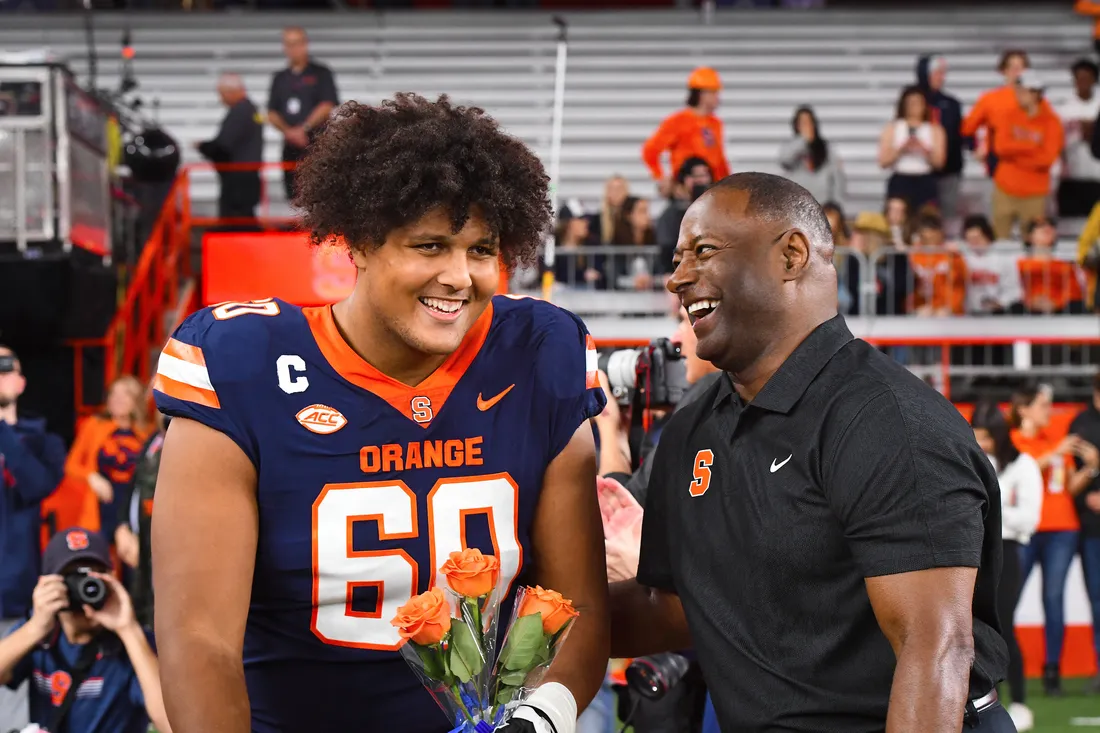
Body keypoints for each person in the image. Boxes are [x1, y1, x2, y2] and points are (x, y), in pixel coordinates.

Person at [150, 93, 609, 733]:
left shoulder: (538, 352)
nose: (461, 275)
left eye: (482, 249)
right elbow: (200, 639)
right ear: (361, 242)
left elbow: (577, 604)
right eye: (430, 246)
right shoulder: (241, 362)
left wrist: (541, 715)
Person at [610, 172, 1013, 732]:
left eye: (702, 251)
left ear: (792, 255)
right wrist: (510, 622)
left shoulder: (888, 421)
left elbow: (936, 647)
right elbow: (676, 609)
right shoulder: (693, 425)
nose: (678, 278)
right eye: (678, 258)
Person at [0, 527, 170, 733]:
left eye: (93, 577)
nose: (85, 590)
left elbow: (171, 725)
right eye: (72, 579)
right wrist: (35, 628)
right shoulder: (41, 634)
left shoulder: (133, 644)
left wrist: (128, 629)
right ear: (48, 585)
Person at [0, 346, 66, 732]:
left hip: (14, 594)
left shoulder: (43, 440)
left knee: (10, 712)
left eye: (6, 366)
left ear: (21, 381)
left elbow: (37, 483)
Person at [969, 402, 1043, 732]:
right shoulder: (967, 460)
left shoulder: (1024, 464)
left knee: (1005, 624)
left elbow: (1030, 518)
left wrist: (990, 512)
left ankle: (1021, 701)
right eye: (976, 435)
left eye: (986, 436)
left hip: (1010, 551)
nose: (981, 442)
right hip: (973, 549)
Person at [267, 26, 339, 201]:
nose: (293, 48)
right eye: (289, 44)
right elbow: (272, 112)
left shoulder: (321, 73)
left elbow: (327, 104)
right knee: (293, 194)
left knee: (320, 192)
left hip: (316, 143)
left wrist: (304, 128)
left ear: (305, 44)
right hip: (290, 146)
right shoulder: (280, 77)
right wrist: (288, 132)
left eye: (297, 43)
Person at [642, 67, 729, 198]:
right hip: (686, 190)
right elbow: (650, 151)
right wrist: (661, 177)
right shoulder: (678, 121)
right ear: (702, 94)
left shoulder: (715, 123)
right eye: (714, 92)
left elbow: (719, 159)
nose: (718, 97)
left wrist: (728, 184)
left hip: (711, 190)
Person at [195, 73, 265, 229]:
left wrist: (203, 147)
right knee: (245, 218)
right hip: (246, 176)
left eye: (222, 94)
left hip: (237, 179)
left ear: (231, 91)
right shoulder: (251, 110)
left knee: (236, 222)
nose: (221, 99)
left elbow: (223, 145)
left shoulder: (240, 111)